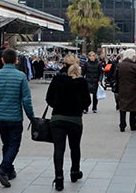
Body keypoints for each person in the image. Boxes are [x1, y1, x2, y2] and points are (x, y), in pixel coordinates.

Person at [0, 48, 35, 188]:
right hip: (15, 117)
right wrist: (32, 117)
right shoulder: (21, 76)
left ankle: (9, 170)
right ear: (16, 60)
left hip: (1, 117)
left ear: (2, 60)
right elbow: (26, 100)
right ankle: (2, 169)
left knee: (6, 144)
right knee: (14, 145)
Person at [46, 54, 91, 191]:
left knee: (59, 149)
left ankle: (59, 178)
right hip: (75, 120)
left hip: (58, 118)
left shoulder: (58, 79)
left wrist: (58, 105)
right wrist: (78, 107)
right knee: (75, 147)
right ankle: (74, 172)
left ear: (64, 64)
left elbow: (49, 98)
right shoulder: (82, 82)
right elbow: (87, 102)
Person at [116, 49, 136, 132]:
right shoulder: (135, 66)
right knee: (133, 108)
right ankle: (132, 125)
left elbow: (115, 76)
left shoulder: (120, 65)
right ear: (133, 56)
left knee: (122, 108)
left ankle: (122, 125)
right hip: (133, 89)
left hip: (122, 88)